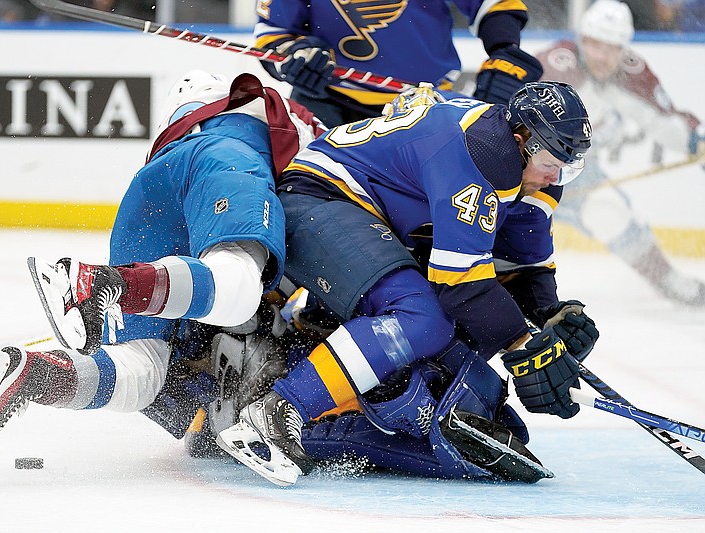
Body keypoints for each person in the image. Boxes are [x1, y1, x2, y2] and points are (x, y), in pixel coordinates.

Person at [215, 81, 599, 486]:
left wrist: (548, 314)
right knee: (422, 317)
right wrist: (525, 347)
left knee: (458, 331)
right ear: (521, 140)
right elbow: (461, 285)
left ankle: (319, 366)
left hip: (364, 215)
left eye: (569, 166)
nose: (557, 175)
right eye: (552, 162)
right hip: (320, 198)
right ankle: (277, 409)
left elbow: (522, 263)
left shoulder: (526, 165)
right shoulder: (482, 155)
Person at [0, 70, 325, 449]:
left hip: (152, 185)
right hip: (224, 163)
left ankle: (33, 374)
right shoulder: (290, 119)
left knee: (143, 368)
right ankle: (102, 284)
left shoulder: (192, 111)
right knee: (238, 287)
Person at [536, 0, 705, 306]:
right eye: (596, 45)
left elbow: (663, 118)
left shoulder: (630, 72)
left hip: (578, 171)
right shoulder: (557, 65)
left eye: (613, 47)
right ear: (582, 40)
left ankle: (668, 279)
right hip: (528, 166)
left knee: (609, 211)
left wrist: (696, 142)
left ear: (623, 48)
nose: (604, 56)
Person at [253, 0, 544, 127]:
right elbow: (273, 34)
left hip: (424, 103)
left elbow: (492, 3)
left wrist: (503, 48)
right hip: (326, 102)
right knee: (307, 198)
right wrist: (297, 55)